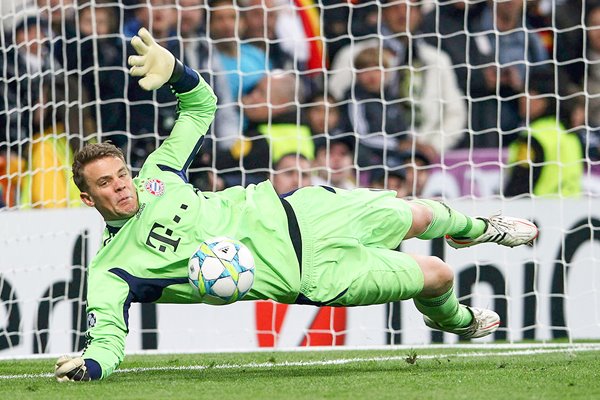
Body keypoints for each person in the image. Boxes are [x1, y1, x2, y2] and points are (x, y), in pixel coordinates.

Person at [54, 28, 539, 382]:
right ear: (87, 197)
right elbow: (108, 334)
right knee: (438, 274)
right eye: (106, 184)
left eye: (121, 174)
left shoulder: (159, 173)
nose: (121, 186)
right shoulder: (112, 270)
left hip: (306, 211)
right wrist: (91, 366)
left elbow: (200, 107)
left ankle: (482, 226)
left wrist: (177, 72)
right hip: (312, 273)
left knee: (422, 215)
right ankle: (453, 320)